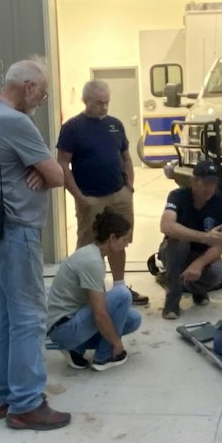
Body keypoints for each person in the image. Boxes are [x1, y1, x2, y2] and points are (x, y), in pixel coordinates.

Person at [0, 58, 71, 431]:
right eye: (41, 96)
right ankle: (26, 403)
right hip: (15, 228)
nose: (39, 103)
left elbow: (41, 172)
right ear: (28, 87)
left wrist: (37, 172)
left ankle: (2, 396)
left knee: (8, 314)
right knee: (29, 316)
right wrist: (43, 172)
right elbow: (57, 174)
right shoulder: (14, 122)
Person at [56, 80, 148, 307]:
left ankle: (119, 289)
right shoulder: (72, 128)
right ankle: (88, 293)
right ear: (86, 101)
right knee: (89, 247)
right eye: (99, 103)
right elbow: (62, 165)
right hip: (91, 198)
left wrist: (129, 188)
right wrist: (79, 197)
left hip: (120, 195)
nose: (104, 108)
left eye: (107, 103)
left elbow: (126, 157)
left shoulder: (115, 125)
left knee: (120, 242)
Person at [45, 209, 141, 370]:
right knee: (123, 294)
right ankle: (105, 356)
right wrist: (117, 344)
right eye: (124, 239)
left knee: (133, 319)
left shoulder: (94, 256)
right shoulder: (92, 262)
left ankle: (76, 348)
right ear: (112, 238)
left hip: (68, 322)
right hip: (63, 328)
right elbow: (100, 314)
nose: (127, 244)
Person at [159, 159, 222, 319]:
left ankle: (197, 289)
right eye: (204, 182)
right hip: (173, 252)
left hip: (200, 255)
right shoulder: (177, 196)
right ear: (193, 181)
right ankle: (172, 300)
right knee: (179, 242)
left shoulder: (221, 203)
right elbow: (166, 225)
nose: (209, 188)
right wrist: (204, 237)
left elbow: (219, 245)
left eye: (213, 183)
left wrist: (198, 264)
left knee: (218, 273)